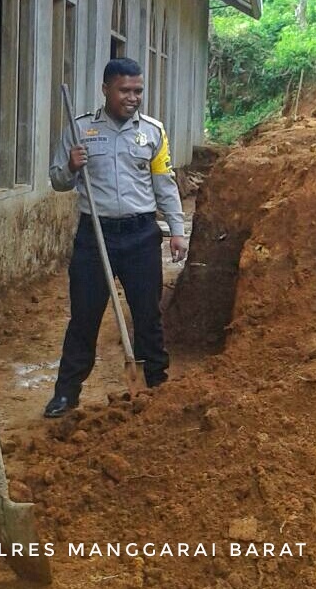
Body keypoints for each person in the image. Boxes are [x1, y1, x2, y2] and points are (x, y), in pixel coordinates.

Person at [45, 57, 187, 417]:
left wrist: (177, 230)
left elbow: (164, 185)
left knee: (148, 315)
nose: (133, 97)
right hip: (95, 236)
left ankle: (156, 382)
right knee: (84, 317)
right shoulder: (80, 130)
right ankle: (66, 394)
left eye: (138, 90)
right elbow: (58, 181)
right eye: (125, 90)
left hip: (140, 235)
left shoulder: (153, 132)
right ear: (106, 89)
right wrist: (72, 166)